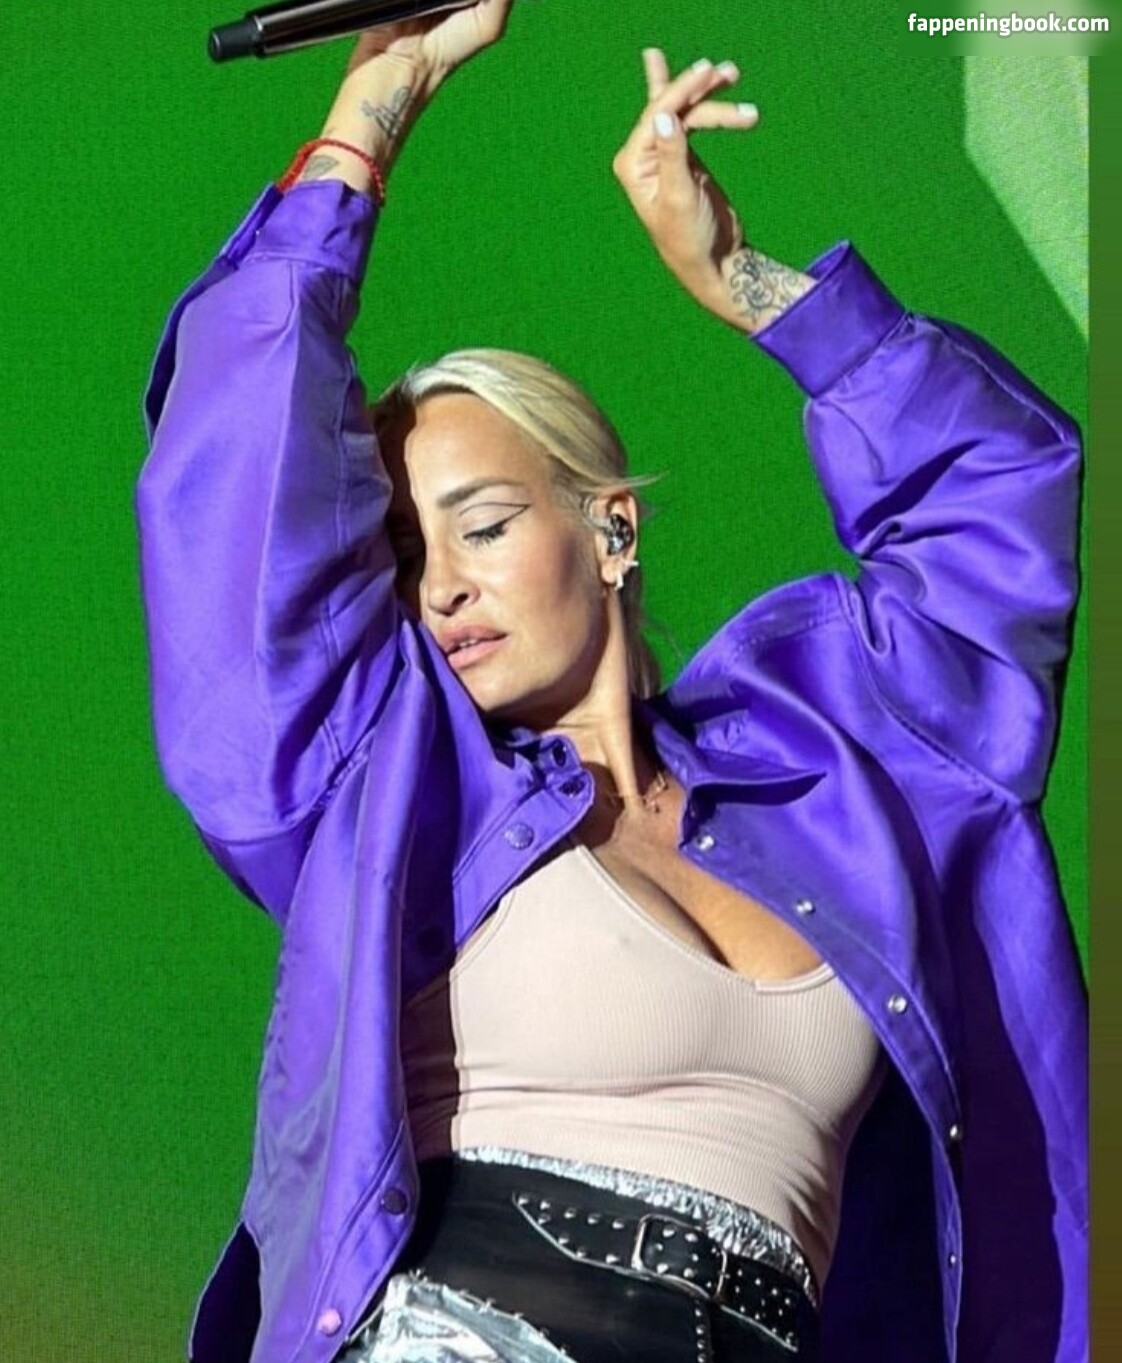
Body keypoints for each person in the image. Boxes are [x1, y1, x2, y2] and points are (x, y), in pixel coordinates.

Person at [137, 3, 1088, 1361]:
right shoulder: (387, 779)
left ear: (609, 529)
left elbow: (994, 500)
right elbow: (229, 489)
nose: (440, 587)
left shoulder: (823, 764)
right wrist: (377, 102)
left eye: (482, 524)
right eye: (400, 555)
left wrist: (743, 279)